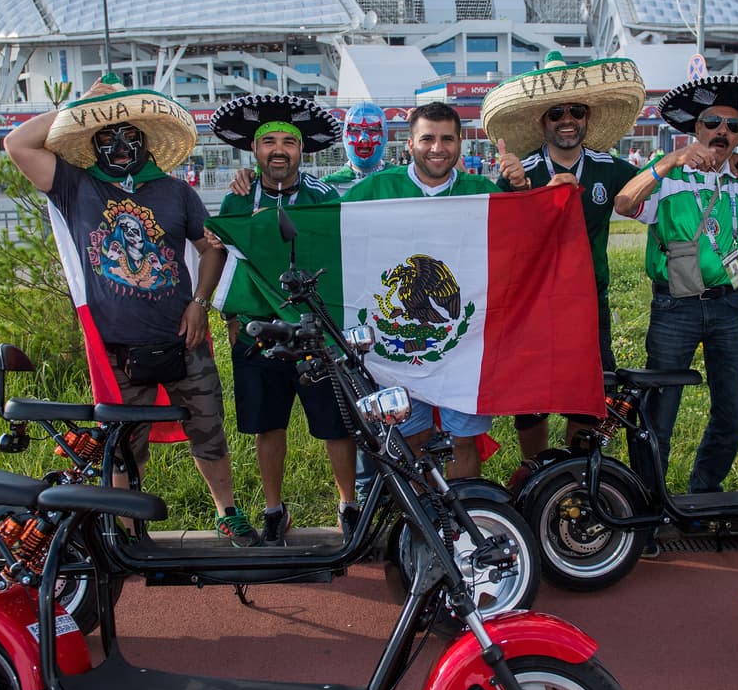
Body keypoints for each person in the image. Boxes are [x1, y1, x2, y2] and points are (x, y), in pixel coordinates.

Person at [3, 78, 257, 547]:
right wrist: (82, 105)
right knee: (122, 446)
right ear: (93, 145)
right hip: (119, 347)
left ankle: (228, 513)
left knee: (208, 430)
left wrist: (200, 303)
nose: (119, 147)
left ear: (144, 139)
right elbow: (16, 143)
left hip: (185, 340)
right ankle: (125, 530)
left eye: (129, 137)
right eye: (106, 138)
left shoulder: (174, 192)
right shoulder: (74, 186)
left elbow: (211, 248)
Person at [614, 74, 738, 504]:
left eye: (733, 127)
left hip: (728, 306)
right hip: (674, 308)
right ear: (696, 127)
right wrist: (670, 162)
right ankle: (649, 503)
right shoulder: (667, 171)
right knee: (660, 413)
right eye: (713, 122)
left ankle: (704, 492)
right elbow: (623, 204)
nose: (721, 132)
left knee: (733, 413)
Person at [481, 50, 646, 462]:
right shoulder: (522, 171)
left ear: (588, 117)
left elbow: (655, 185)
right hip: (532, 304)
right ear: (543, 122)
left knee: (590, 396)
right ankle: (532, 473)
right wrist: (516, 192)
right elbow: (497, 237)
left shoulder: (613, 170)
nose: (567, 119)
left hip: (590, 301)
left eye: (576, 110)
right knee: (530, 399)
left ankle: (578, 474)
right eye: (556, 113)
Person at [210, 93, 357, 545]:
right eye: (268, 141)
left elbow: (342, 257)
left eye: (288, 142)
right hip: (257, 333)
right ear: (254, 150)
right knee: (267, 425)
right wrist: (228, 317)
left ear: (301, 150)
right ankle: (274, 509)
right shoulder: (236, 201)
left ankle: (347, 505)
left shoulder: (323, 197)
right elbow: (225, 260)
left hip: (315, 330)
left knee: (336, 425)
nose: (279, 149)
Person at [342, 101, 501, 479]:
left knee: (462, 440)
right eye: (427, 138)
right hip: (394, 346)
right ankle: (418, 522)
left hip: (466, 347)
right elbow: (323, 231)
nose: (437, 148)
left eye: (447, 139)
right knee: (407, 437)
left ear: (461, 143)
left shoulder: (484, 191)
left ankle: (466, 521)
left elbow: (527, 238)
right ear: (409, 145)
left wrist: (538, 192)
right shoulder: (373, 190)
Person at [322, 101, 390, 196]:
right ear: (344, 135)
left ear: (385, 134)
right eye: (355, 130)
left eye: (373, 130)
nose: (364, 139)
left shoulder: (402, 181)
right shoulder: (326, 188)